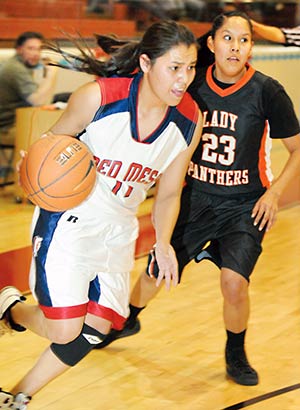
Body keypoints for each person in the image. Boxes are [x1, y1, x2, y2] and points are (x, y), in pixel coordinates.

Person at [0, 20, 202, 408]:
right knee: (64, 330)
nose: (183, 79)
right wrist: (37, 163)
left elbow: (170, 191)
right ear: (145, 63)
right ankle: (11, 309)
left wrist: (162, 244)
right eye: (174, 67)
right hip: (70, 218)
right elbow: (53, 141)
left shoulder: (190, 120)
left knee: (96, 329)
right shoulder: (98, 97)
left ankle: (16, 394)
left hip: (119, 227)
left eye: (190, 68)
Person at [95, 11, 300, 387]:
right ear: (212, 43)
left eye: (244, 40)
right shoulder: (189, 86)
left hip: (245, 204)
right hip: (196, 198)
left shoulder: (268, 91)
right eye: (227, 38)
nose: (235, 47)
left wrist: (274, 194)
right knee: (158, 266)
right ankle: (127, 319)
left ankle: (235, 352)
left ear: (252, 47)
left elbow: (297, 149)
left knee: (234, 283)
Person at [0, 32, 58, 179]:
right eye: (31, 49)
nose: (36, 54)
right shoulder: (16, 69)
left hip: (13, 123)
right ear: (19, 49)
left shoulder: (17, 65)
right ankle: (39, 184)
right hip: (6, 129)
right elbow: (37, 101)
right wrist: (51, 74)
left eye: (39, 49)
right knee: (49, 140)